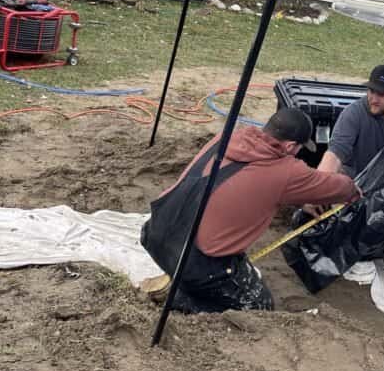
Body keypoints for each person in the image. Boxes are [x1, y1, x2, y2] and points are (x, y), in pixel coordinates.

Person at [141, 108, 360, 314]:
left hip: (156, 230)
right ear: (289, 146)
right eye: (299, 149)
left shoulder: (230, 137)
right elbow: (339, 188)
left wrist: (299, 197)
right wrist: (357, 190)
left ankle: (182, 281)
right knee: (258, 305)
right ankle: (180, 299)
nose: (298, 153)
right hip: (195, 260)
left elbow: (249, 183)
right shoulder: (286, 171)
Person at [316, 64, 384, 178]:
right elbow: (335, 154)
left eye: (381, 94)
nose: (374, 99)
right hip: (353, 185)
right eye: (371, 91)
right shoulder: (353, 113)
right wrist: (321, 184)